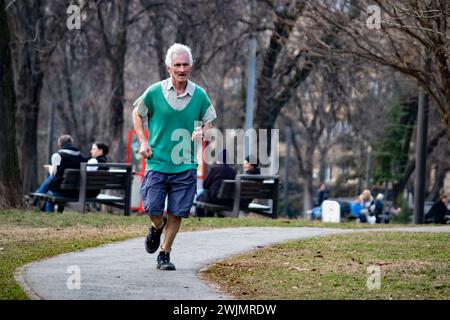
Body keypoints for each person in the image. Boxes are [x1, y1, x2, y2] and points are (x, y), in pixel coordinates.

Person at [132, 43, 217, 271]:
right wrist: (143, 140)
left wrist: (203, 131)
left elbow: (209, 120)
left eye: (185, 64)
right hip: (157, 161)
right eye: (177, 65)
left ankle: (165, 253)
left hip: (185, 164)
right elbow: (137, 113)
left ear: (191, 66)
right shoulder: (154, 92)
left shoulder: (199, 95)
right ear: (168, 66)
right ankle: (156, 227)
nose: (182, 69)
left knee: (178, 212)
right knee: (153, 208)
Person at [36, 135, 87, 212]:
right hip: (75, 192)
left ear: (60, 144)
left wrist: (50, 168)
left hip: (59, 191)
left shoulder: (57, 156)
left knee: (51, 182)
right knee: (52, 184)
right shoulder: (82, 158)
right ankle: (37, 197)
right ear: (71, 143)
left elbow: (53, 174)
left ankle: (37, 197)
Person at [195, 149, 236, 217]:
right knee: (207, 195)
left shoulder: (215, 169)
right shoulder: (233, 171)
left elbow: (205, 185)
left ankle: (200, 218)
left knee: (199, 198)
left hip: (214, 199)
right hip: (227, 200)